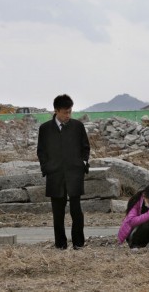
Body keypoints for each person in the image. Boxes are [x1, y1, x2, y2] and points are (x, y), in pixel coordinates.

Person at [37, 94, 90, 250]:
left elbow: (85, 147)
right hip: (55, 175)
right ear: (56, 111)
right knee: (58, 213)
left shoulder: (77, 126)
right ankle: (60, 244)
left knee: (76, 211)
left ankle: (79, 243)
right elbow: (41, 151)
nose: (68, 115)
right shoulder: (45, 129)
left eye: (70, 112)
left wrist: (83, 163)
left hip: (75, 174)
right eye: (65, 112)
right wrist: (46, 168)